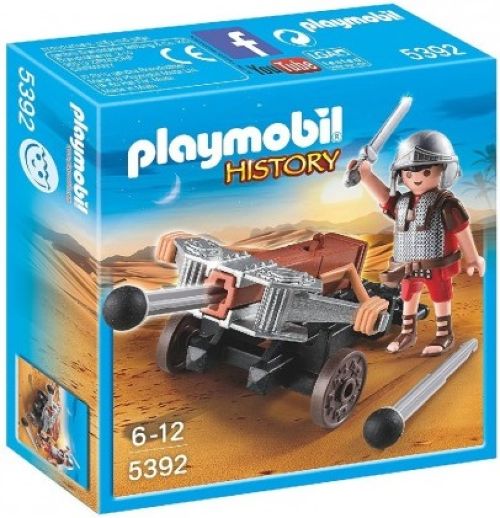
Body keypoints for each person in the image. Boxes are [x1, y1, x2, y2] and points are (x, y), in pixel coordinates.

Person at [349, 130, 485, 356]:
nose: (416, 178)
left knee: (441, 297)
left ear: (444, 170)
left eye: (426, 171)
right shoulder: (402, 203)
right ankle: (407, 332)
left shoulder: (447, 204)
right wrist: (365, 174)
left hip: (436, 266)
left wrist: (473, 257)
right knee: (408, 297)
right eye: (408, 173)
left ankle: (444, 334)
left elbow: (461, 229)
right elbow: (384, 197)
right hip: (405, 267)